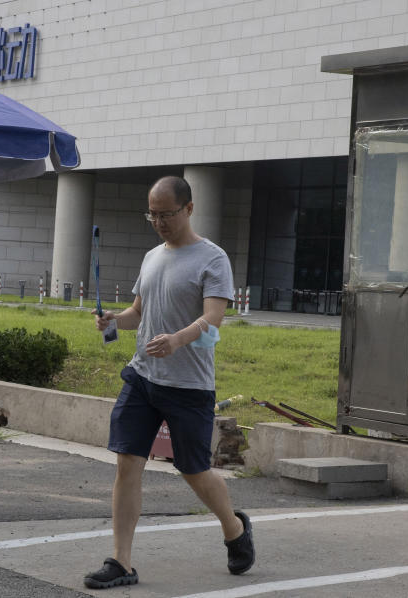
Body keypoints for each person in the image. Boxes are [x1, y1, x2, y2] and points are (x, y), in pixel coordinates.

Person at [83, 176, 254, 590]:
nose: (159, 222)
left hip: (189, 385)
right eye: (153, 215)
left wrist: (178, 339)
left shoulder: (212, 258)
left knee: (194, 470)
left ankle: (234, 528)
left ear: (189, 209)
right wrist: (113, 322)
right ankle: (121, 562)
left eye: (167, 214)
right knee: (127, 461)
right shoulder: (152, 257)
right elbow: (138, 313)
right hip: (142, 376)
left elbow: (214, 317)